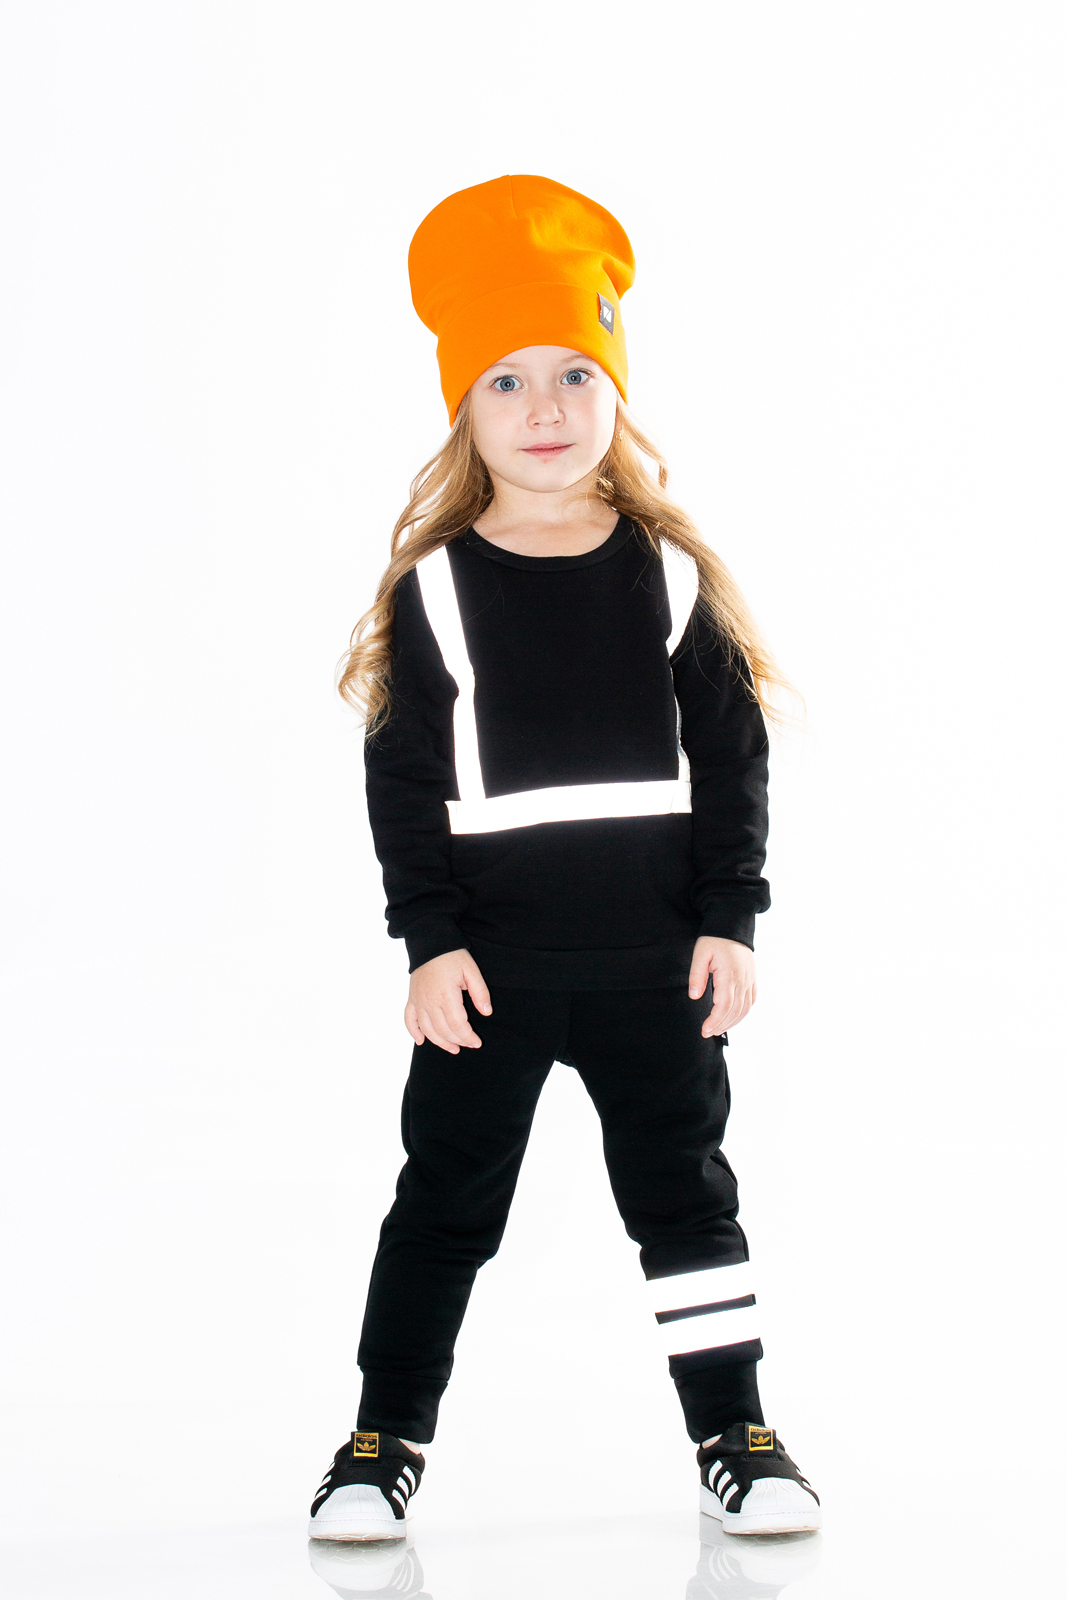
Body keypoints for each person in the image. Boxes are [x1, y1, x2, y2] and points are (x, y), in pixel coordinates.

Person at [307, 175, 821, 1544]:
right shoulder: (432, 590)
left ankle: (736, 1433)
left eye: (574, 374)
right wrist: (430, 944)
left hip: (657, 971)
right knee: (442, 1209)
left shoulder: (669, 577)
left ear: (617, 394)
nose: (544, 408)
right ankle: (380, 1440)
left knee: (687, 1208)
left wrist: (732, 919)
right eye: (507, 381)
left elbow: (733, 756)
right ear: (465, 412)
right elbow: (403, 783)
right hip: (492, 978)